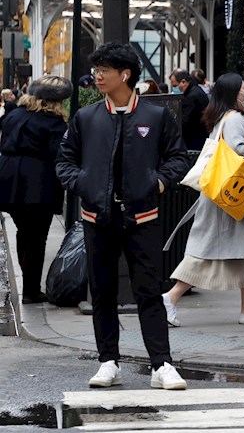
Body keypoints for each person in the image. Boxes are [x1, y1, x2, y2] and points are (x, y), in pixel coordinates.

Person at [56, 43, 190, 391]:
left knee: (149, 292)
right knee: (102, 292)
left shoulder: (155, 116)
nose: (97, 76)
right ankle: (108, 362)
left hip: (143, 217)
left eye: (104, 70)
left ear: (125, 74)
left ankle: (162, 364)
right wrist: (83, 184)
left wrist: (158, 183)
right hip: (97, 218)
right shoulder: (86, 118)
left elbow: (177, 158)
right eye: (96, 69)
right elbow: (64, 161)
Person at [162, 74, 244, 327]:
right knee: (205, 253)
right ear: (234, 93)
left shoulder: (226, 117)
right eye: (243, 88)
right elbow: (237, 149)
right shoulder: (234, 119)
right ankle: (170, 297)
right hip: (228, 200)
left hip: (232, 197)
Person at [0, 76, 72, 304]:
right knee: (37, 237)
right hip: (37, 181)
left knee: (24, 231)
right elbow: (60, 154)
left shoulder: (14, 115)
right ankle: (31, 290)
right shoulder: (53, 122)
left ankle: (29, 284)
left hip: (8, 177)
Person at [172, 69, 210, 151]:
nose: (174, 88)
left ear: (183, 82)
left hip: (194, 142)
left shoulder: (190, 97)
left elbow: (184, 122)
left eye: (175, 85)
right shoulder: (197, 90)